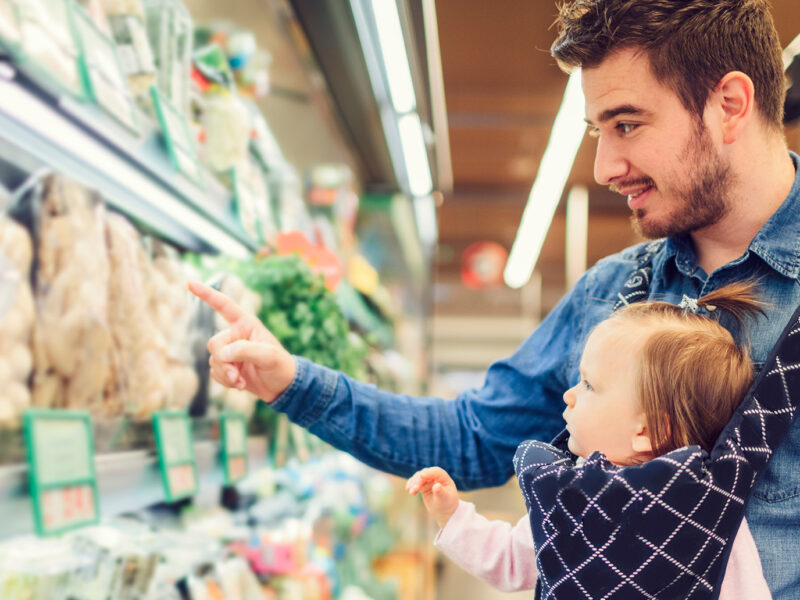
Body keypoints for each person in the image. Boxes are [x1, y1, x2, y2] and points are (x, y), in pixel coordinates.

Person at [189, 0, 800, 596]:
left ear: (729, 105)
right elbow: (470, 437)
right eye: (596, 130)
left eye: (626, 124)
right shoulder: (609, 293)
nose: (605, 166)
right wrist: (290, 381)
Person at [404, 283, 770, 598]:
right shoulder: (570, 493)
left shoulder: (704, 509)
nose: (569, 395)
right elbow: (514, 560)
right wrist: (453, 516)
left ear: (646, 431)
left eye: (589, 385)